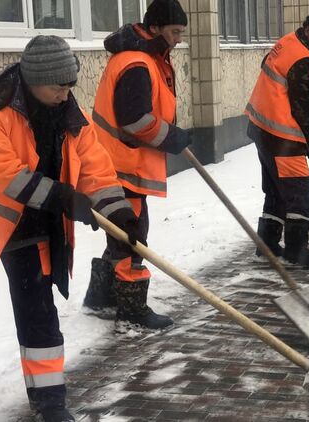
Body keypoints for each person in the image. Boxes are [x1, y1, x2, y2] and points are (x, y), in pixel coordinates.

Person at [0, 35, 141, 422]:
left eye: (69, 86)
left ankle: (49, 399)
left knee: (38, 308)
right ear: (34, 80)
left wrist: (120, 214)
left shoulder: (71, 116)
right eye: (58, 87)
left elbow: (95, 167)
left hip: (32, 223)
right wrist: (66, 198)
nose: (65, 95)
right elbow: (6, 176)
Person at [82, 0, 191, 330]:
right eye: (175, 32)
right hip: (121, 166)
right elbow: (134, 121)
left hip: (117, 162)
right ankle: (131, 310)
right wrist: (171, 136)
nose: (178, 39)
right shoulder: (137, 63)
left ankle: (101, 298)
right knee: (132, 238)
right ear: (155, 28)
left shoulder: (141, 57)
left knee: (120, 233)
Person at [243, 7, 309, 270]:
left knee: (277, 190)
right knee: (301, 192)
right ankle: (296, 252)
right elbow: (303, 107)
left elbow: (268, 68)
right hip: (281, 136)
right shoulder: (303, 59)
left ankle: (267, 246)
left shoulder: (288, 43)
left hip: (262, 128)